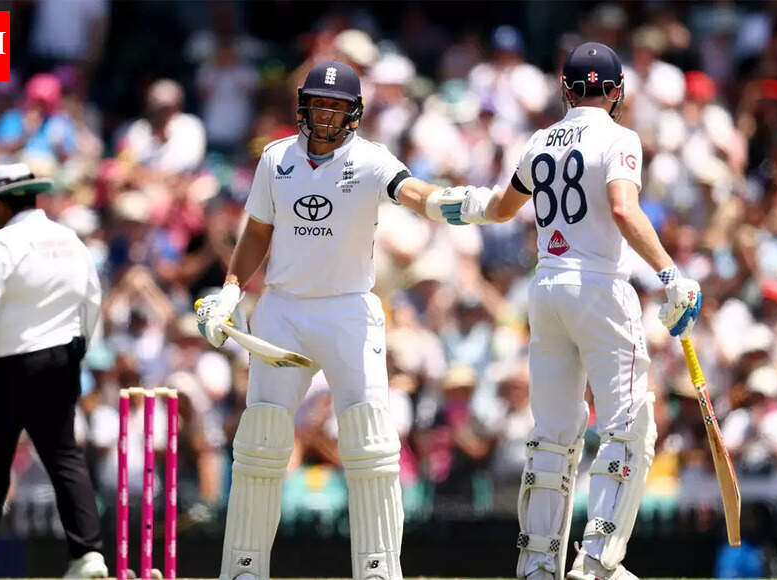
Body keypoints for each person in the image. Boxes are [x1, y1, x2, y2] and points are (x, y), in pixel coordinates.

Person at [426, 42, 702, 580]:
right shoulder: (620, 137)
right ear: (616, 92)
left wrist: (458, 205)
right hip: (599, 288)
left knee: (552, 433)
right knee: (628, 426)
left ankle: (536, 565)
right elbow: (623, 207)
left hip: (546, 289)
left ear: (566, 90)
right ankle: (596, 562)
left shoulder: (540, 140)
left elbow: (501, 208)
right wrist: (671, 275)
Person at [195, 60, 466, 580]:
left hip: (347, 310)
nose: (325, 115)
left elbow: (411, 191)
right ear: (303, 106)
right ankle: (244, 569)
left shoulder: (370, 159)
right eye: (318, 103)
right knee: (261, 439)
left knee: (371, 441)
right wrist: (230, 291)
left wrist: (450, 203)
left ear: (354, 113)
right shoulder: (276, 158)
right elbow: (257, 231)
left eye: (336, 107)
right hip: (283, 308)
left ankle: (378, 569)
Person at [0, 164, 107, 579]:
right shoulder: (69, 239)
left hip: (8, 367)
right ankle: (88, 554)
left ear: (1, 205)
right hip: (61, 360)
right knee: (64, 457)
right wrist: (78, 352)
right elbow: (92, 301)